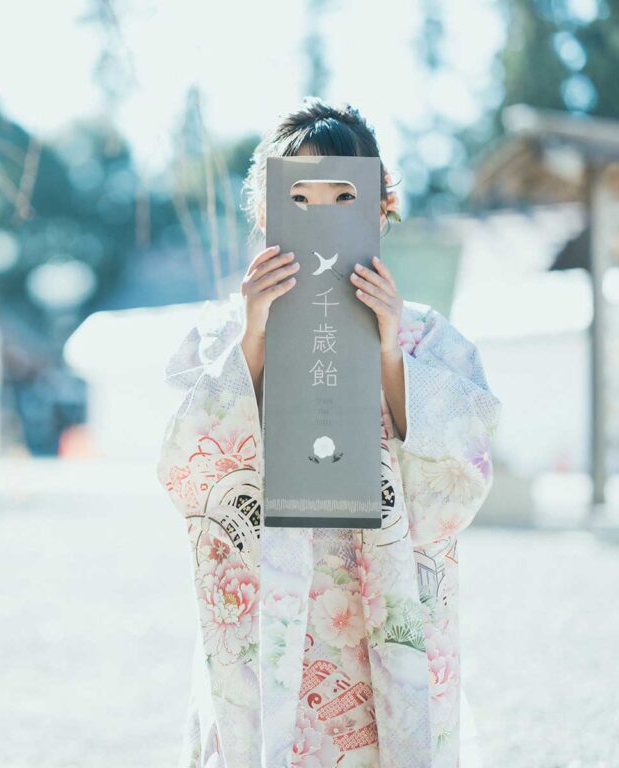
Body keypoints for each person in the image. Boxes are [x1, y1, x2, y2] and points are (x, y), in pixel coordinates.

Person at [156, 98, 502, 768]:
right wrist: (255, 335)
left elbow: (462, 469)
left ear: (379, 206)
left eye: (343, 193)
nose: (322, 213)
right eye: (299, 197)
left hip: (388, 590)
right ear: (266, 212)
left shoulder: (425, 332)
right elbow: (190, 466)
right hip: (272, 594)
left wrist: (390, 350)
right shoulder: (223, 329)